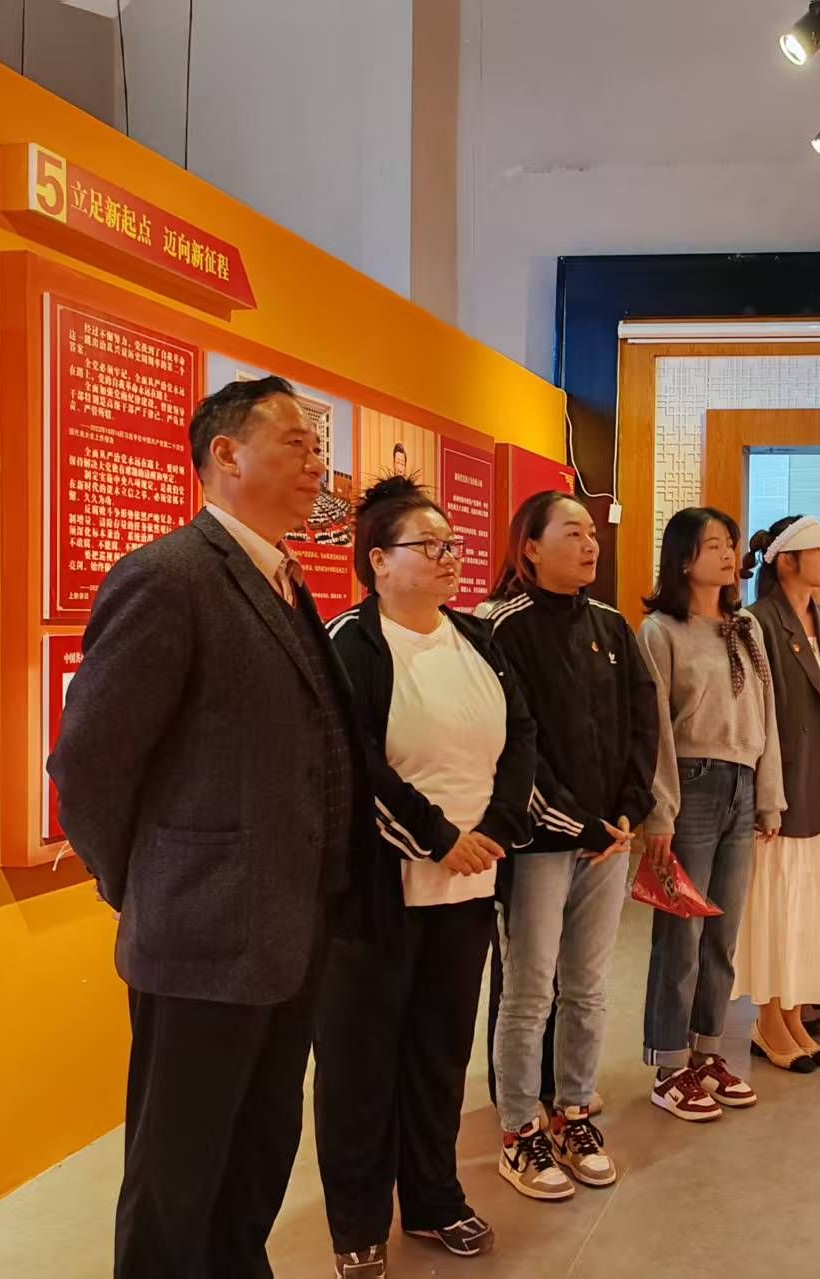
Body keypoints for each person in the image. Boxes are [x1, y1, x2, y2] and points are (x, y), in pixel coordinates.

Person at [47, 377, 368, 1278]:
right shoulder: (170, 576)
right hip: (200, 934)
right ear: (227, 454)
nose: (317, 464)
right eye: (296, 443)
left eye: (317, 447)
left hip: (289, 928)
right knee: (176, 1177)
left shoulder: (283, 578)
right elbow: (88, 764)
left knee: (256, 1155)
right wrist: (146, 883)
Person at [313, 477, 537, 1275]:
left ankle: (435, 1199)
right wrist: (439, 838)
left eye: (453, 545)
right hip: (378, 892)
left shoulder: (477, 636)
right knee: (360, 1062)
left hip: (468, 887)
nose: (449, 558)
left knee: (440, 1052)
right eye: (428, 546)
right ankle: (358, 1223)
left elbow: (522, 737)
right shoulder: (351, 642)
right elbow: (353, 761)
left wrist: (496, 829)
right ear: (377, 560)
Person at [484, 492, 660, 1198]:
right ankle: (519, 1128)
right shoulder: (502, 627)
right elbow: (511, 744)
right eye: (573, 533)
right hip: (538, 843)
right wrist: (576, 822)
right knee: (530, 990)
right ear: (530, 546)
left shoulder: (613, 626)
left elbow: (643, 725)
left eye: (593, 533)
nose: (591, 545)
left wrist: (628, 811)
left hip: (607, 841)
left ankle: (575, 1111)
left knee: (587, 986)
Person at [638, 508, 784, 1122]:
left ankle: (706, 1052)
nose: (728, 555)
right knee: (682, 935)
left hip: (742, 783)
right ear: (682, 560)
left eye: (730, 544)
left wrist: (770, 795)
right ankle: (669, 1065)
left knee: (723, 935)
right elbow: (653, 729)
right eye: (714, 545)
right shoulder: (660, 630)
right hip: (690, 786)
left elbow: (766, 715)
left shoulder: (745, 626)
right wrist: (659, 811)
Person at [737, 516, 820, 1072]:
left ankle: (792, 1015)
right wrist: (763, 793)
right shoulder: (755, 622)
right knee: (778, 905)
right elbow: (754, 713)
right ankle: (769, 1019)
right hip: (784, 788)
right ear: (787, 560)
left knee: (814, 908)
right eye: (819, 552)